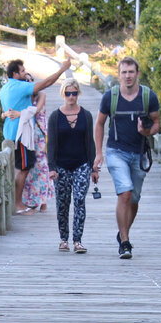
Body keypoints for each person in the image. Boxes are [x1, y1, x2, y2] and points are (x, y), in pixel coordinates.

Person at [93, 56, 160, 259]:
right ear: (119, 74)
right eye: (124, 72)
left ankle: (124, 233)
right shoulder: (110, 97)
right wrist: (98, 152)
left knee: (134, 198)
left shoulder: (148, 96)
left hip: (139, 152)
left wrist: (147, 132)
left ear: (137, 74)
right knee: (125, 193)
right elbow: (99, 124)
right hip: (116, 151)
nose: (128, 76)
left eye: (131, 72)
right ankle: (124, 242)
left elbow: (156, 123)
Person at [0, 57, 71, 213]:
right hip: (21, 134)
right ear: (15, 73)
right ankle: (17, 204)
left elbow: (6, 111)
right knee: (23, 168)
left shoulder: (4, 89)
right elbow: (46, 83)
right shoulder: (19, 86)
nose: (25, 74)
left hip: (8, 133)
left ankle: (13, 202)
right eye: (23, 71)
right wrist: (62, 69)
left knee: (16, 167)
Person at [46, 79, 98, 253]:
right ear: (63, 94)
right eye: (68, 93)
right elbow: (51, 143)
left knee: (79, 200)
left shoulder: (86, 115)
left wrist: (93, 167)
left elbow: (89, 142)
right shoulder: (55, 116)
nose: (71, 96)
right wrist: (51, 167)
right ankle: (63, 239)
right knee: (63, 203)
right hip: (61, 166)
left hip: (81, 164)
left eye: (74, 93)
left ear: (78, 94)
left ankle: (77, 240)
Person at [19, 74, 54, 214]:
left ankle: (44, 200)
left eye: (30, 80)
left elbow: (36, 110)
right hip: (27, 135)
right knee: (29, 168)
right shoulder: (23, 98)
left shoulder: (41, 95)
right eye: (25, 81)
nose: (28, 82)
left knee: (42, 166)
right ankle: (31, 201)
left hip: (39, 135)